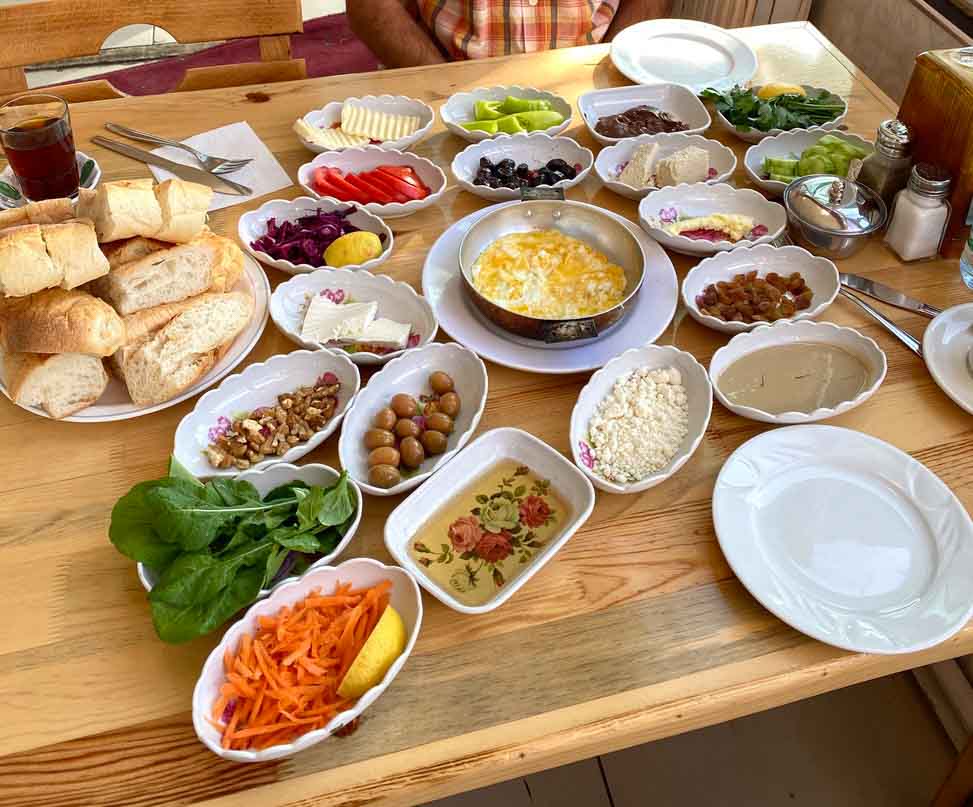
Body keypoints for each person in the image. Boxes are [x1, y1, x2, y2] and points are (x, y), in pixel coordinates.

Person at [347, 0, 673, 68]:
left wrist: (610, 71)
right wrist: (442, 88)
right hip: (440, 77)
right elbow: (372, 6)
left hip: (586, 80)